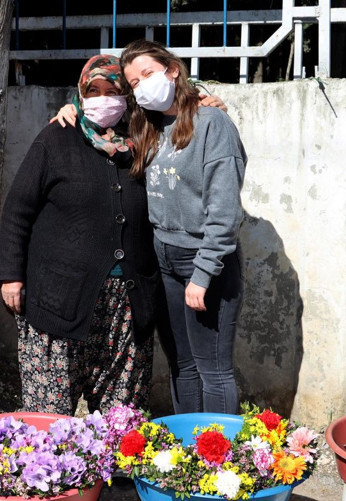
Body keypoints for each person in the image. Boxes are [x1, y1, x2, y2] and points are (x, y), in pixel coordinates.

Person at [0, 55, 160, 415]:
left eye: (112, 91)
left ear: (127, 97)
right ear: (80, 94)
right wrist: (10, 275)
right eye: (93, 91)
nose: (103, 99)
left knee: (121, 419)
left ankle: (114, 474)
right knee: (48, 420)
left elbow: (183, 104)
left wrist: (205, 98)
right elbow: (18, 209)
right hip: (59, 298)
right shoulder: (57, 137)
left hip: (128, 307)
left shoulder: (144, 139)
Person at [120, 40, 247, 415]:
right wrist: (69, 108)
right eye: (134, 82)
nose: (142, 86)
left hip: (204, 261)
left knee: (213, 369)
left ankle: (219, 462)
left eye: (148, 74)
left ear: (172, 70)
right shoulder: (148, 126)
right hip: (164, 260)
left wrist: (203, 273)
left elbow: (224, 211)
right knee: (183, 365)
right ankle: (187, 456)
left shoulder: (213, 123)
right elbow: (98, 115)